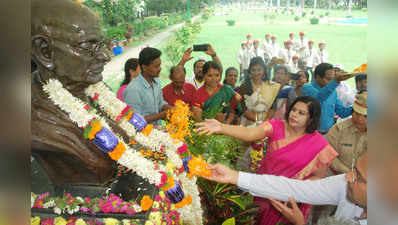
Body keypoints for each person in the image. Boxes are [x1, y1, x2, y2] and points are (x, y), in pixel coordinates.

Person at [196, 96, 339, 225]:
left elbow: (318, 177)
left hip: (290, 200)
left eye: (301, 113)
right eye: (294, 110)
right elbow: (249, 133)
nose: (294, 114)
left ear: (311, 119)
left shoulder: (320, 145)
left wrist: (295, 190)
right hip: (263, 191)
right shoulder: (276, 126)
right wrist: (221, 127)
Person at [31, 0, 115, 185]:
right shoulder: (31, 121)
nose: (104, 56)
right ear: (45, 52)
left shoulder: (97, 94)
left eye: (101, 44)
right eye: (88, 46)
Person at [203, 150, 367, 225]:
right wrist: (235, 176)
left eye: (357, 176)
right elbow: (293, 188)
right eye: (353, 169)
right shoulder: (345, 184)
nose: (347, 176)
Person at [124, 47, 172, 126]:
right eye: (156, 66)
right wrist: (160, 115)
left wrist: (171, 109)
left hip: (159, 130)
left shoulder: (156, 81)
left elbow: (160, 103)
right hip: (143, 135)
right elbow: (134, 120)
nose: (160, 68)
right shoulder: (133, 90)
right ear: (144, 67)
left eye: (160, 65)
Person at [302, 63, 354, 133]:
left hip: (328, 134)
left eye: (332, 79)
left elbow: (342, 112)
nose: (331, 82)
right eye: (329, 79)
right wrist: (335, 81)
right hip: (310, 133)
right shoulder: (307, 88)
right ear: (317, 77)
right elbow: (319, 98)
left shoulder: (333, 92)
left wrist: (358, 106)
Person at [328, 91, 367, 174]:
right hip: (339, 176)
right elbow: (329, 155)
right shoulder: (338, 129)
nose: (359, 119)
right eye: (357, 113)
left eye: (366, 116)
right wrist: (348, 172)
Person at [238, 57, 280, 127]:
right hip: (249, 123)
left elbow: (273, 107)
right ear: (249, 71)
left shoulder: (271, 86)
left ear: (264, 70)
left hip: (267, 122)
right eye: (253, 70)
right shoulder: (245, 86)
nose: (256, 73)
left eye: (259, 70)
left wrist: (266, 120)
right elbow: (243, 109)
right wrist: (258, 120)